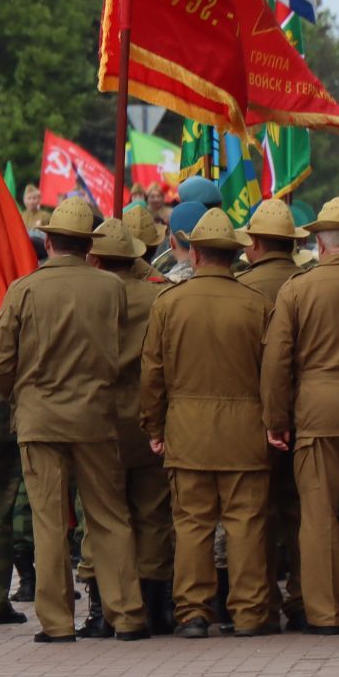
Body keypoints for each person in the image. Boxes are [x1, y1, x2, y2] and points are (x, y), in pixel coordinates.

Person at [0, 197, 147, 642]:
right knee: (109, 516)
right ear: (87, 246)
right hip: (96, 415)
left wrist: (21, 396)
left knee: (50, 522)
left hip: (40, 418)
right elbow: (117, 352)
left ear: (49, 240)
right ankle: (128, 614)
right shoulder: (111, 288)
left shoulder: (24, 290)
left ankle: (57, 623)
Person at [139, 208, 272, 638]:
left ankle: (194, 613)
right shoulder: (257, 305)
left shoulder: (169, 304)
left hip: (188, 431)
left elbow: (153, 375)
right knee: (246, 523)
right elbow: (272, 374)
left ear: (193, 254)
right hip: (246, 432)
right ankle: (250, 613)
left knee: (192, 524)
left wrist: (155, 429)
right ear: (234, 255)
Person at [261, 197, 339, 636]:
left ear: (320, 245)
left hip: (317, 415)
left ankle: (324, 614)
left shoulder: (298, 289)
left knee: (319, 517)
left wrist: (276, 418)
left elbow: (277, 361)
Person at [88, 217, 175, 634]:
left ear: (96, 259)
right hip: (147, 419)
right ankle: (156, 607)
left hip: (98, 419)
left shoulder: (88, 297)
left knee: (103, 517)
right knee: (153, 515)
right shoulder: (160, 297)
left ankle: (102, 610)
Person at [239, 198, 310, 631]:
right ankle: (305, 597)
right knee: (304, 512)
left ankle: (260, 604)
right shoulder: (306, 282)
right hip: (307, 416)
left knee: (257, 514)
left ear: (258, 243)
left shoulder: (243, 287)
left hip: (253, 419)